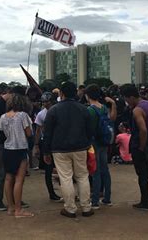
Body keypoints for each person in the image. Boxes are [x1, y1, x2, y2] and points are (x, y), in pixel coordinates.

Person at [43, 81, 94, 218]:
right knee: (83, 176)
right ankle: (86, 207)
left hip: (59, 149)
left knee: (65, 178)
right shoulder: (84, 109)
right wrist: (87, 143)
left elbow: (47, 133)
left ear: (61, 93)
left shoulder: (53, 110)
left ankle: (70, 208)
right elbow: (90, 130)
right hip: (81, 147)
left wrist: (46, 151)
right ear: (76, 93)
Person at [0, 94, 34, 218]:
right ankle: (19, 210)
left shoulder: (3, 117)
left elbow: (1, 131)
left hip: (8, 149)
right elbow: (29, 133)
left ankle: (10, 207)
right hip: (20, 149)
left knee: (8, 179)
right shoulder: (23, 116)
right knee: (19, 180)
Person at [84, 84, 116, 208]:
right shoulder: (103, 108)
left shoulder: (90, 110)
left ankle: (95, 200)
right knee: (105, 170)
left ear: (87, 96)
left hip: (94, 142)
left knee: (95, 171)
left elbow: (89, 129)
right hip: (104, 141)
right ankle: (107, 198)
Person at [33, 92, 62, 202]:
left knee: (62, 169)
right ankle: (52, 193)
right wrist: (36, 145)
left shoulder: (58, 111)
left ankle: (65, 191)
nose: (45, 103)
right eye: (44, 102)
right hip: (47, 143)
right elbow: (38, 130)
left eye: (47, 101)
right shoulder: (41, 114)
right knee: (49, 170)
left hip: (58, 142)